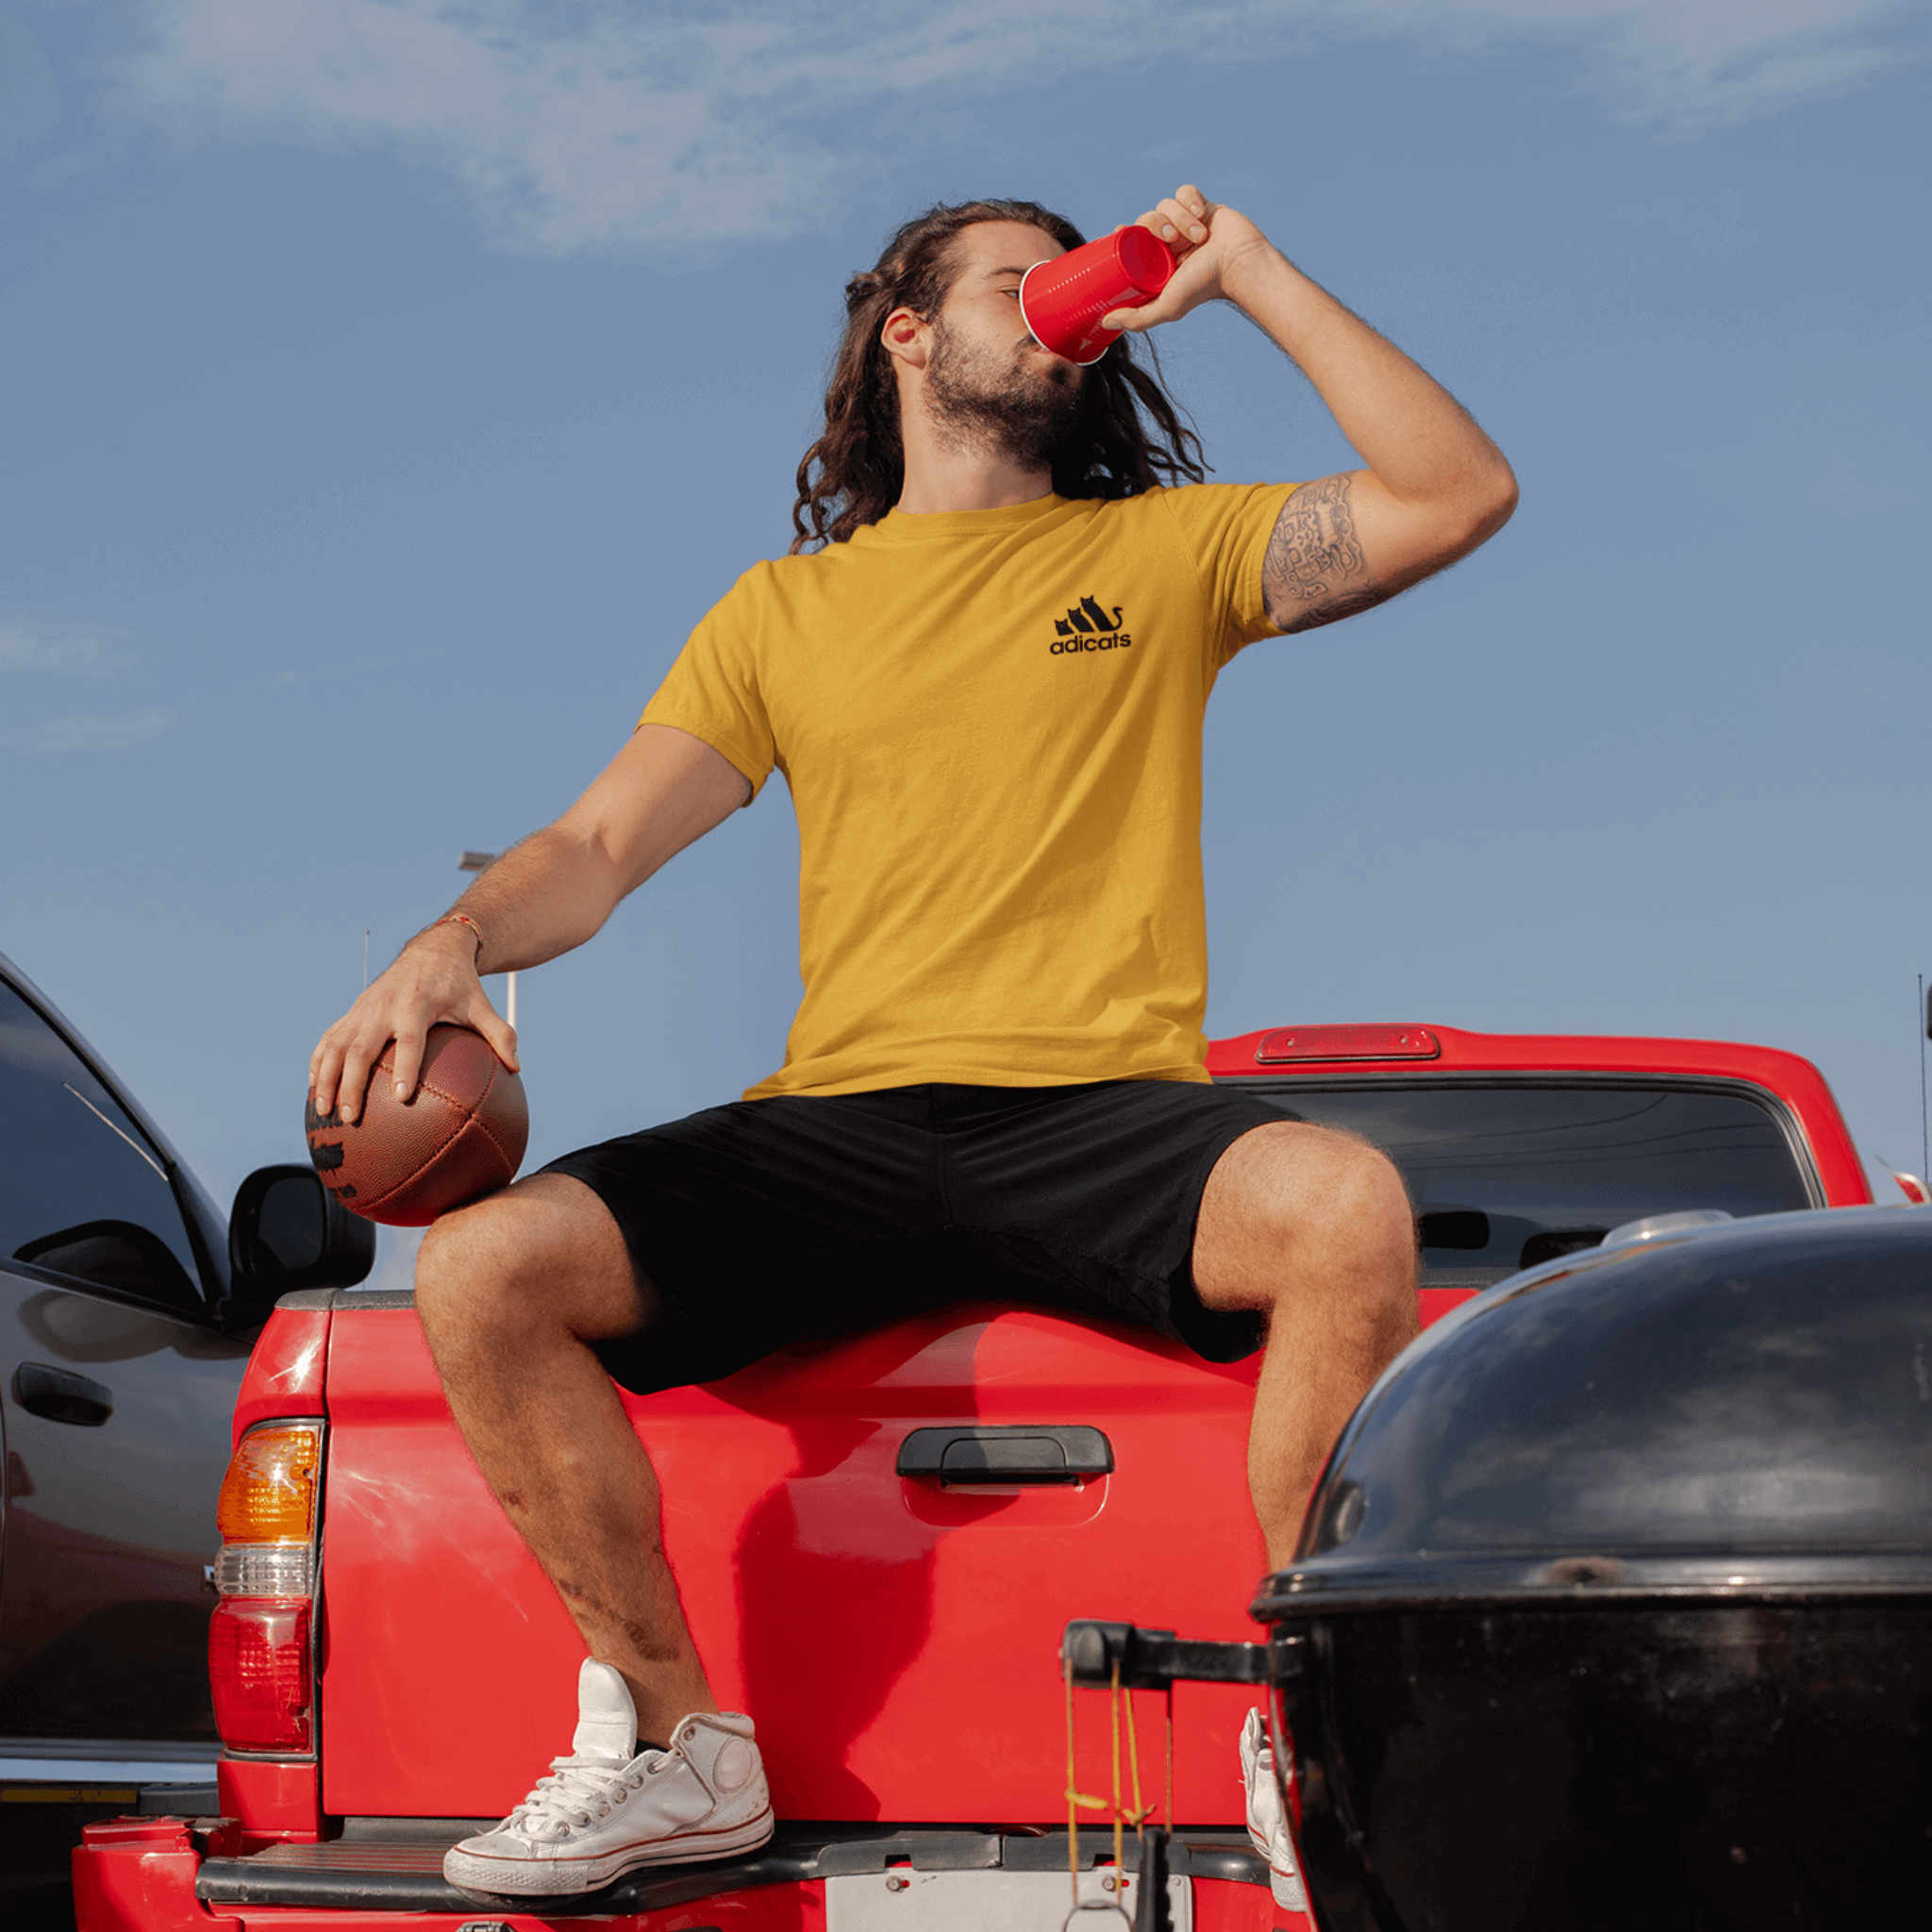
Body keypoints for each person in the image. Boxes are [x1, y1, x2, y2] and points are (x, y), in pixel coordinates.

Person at [308, 184, 1516, 1901]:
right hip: (848, 1126)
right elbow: (596, 845)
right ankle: (679, 1743)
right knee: (484, 1267)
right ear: (907, 333)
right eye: (1017, 284)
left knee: (1342, 1205)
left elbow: (1457, 490)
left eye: (1073, 285)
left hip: (1098, 1113)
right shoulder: (784, 615)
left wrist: (1246, 274)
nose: (1061, 305)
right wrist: (449, 944)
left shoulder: (1163, 558)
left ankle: (1309, 1730)